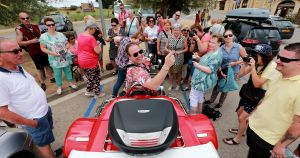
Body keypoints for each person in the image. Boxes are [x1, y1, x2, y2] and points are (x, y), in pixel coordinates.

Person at [0, 38, 56, 158]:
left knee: (47, 140)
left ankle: (52, 153)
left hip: (44, 112)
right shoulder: (1, 79)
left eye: (20, 49)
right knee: (44, 145)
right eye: (15, 51)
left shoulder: (17, 66)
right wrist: (32, 123)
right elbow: (2, 112)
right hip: (34, 119)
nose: (21, 53)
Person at [246, 42, 300, 158]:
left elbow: (298, 124)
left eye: (284, 59)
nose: (277, 61)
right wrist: (253, 115)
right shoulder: (278, 73)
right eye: (278, 57)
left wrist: (281, 145)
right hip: (253, 127)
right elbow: (267, 98)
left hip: (267, 139)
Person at [223, 44, 281, 145]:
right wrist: (245, 65)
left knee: (243, 118)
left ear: (264, 57)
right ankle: (242, 130)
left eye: (256, 55)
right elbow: (240, 75)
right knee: (239, 113)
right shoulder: (258, 63)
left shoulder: (271, 67)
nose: (254, 57)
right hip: (249, 93)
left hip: (258, 97)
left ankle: (237, 139)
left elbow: (257, 84)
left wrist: (253, 67)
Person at [205, 29, 247, 108]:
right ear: (223, 38)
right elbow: (218, 61)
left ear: (233, 36)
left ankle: (220, 103)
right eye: (226, 36)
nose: (228, 37)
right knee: (217, 86)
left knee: (226, 88)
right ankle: (211, 100)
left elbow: (246, 59)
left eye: (230, 35)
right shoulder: (221, 48)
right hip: (221, 71)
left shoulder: (238, 47)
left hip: (232, 72)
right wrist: (220, 71)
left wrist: (236, 63)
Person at [15, 12, 54, 91]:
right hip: (34, 51)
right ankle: (42, 83)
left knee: (47, 64)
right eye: (23, 18)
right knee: (39, 68)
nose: (26, 19)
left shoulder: (35, 26)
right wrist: (31, 41)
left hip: (43, 48)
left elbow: (41, 36)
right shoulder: (19, 29)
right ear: (20, 19)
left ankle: (52, 78)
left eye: (27, 18)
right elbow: (19, 42)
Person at [39, 17, 77, 95]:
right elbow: (42, 48)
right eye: (49, 25)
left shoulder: (61, 34)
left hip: (64, 56)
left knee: (68, 70)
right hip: (54, 58)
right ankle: (59, 86)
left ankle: (70, 82)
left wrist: (66, 48)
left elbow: (67, 43)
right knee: (57, 73)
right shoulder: (44, 36)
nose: (51, 26)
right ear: (46, 26)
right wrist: (52, 53)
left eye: (53, 24)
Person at [190, 35, 223, 114]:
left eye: (213, 43)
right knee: (200, 96)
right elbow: (207, 63)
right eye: (210, 42)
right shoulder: (213, 51)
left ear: (219, 43)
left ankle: (193, 116)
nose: (210, 44)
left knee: (193, 97)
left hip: (201, 80)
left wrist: (197, 65)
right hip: (201, 79)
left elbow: (210, 70)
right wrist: (199, 58)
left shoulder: (217, 55)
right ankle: (198, 116)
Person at [77, 22, 105, 98]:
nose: (95, 32)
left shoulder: (79, 35)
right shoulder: (91, 38)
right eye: (94, 30)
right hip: (90, 61)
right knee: (96, 77)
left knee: (90, 77)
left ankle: (89, 91)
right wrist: (98, 43)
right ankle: (97, 93)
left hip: (82, 60)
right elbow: (98, 51)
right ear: (90, 28)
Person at [165, 24, 188, 91]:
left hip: (179, 57)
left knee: (178, 72)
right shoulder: (169, 37)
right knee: (171, 72)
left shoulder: (183, 38)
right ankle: (171, 84)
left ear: (180, 31)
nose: (176, 31)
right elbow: (165, 47)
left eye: (177, 30)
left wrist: (179, 52)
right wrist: (170, 51)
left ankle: (178, 84)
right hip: (171, 56)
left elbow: (186, 48)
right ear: (172, 30)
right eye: (175, 30)